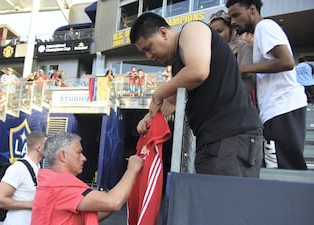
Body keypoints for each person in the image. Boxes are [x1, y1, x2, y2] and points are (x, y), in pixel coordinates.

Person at [130, 12, 263, 177]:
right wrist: (148, 119)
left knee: (227, 201)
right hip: (213, 142)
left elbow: (198, 71)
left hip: (230, 137)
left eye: (149, 48)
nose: (149, 56)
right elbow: (171, 103)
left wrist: (158, 93)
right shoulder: (179, 66)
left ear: (163, 32)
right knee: (213, 201)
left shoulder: (193, 29)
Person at [227, 0, 308, 170]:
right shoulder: (261, 32)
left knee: (284, 170)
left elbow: (286, 62)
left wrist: (243, 69)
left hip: (281, 108)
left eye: (236, 15)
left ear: (252, 9)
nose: (233, 22)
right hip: (280, 109)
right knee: (284, 168)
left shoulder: (264, 26)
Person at [30, 132, 143, 225]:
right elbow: (113, 202)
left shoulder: (51, 183)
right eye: (79, 153)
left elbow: (89, 216)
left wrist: (124, 190)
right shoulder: (60, 187)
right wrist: (132, 170)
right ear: (63, 155)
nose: (84, 158)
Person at [0, 131, 48, 225]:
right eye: (48, 146)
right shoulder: (19, 168)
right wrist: (31, 204)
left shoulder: (37, 168)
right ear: (39, 148)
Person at [209, 9, 256, 106]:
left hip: (241, 107)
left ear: (231, 30)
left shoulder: (244, 48)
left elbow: (248, 75)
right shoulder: (211, 55)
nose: (216, 37)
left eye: (219, 31)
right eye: (213, 33)